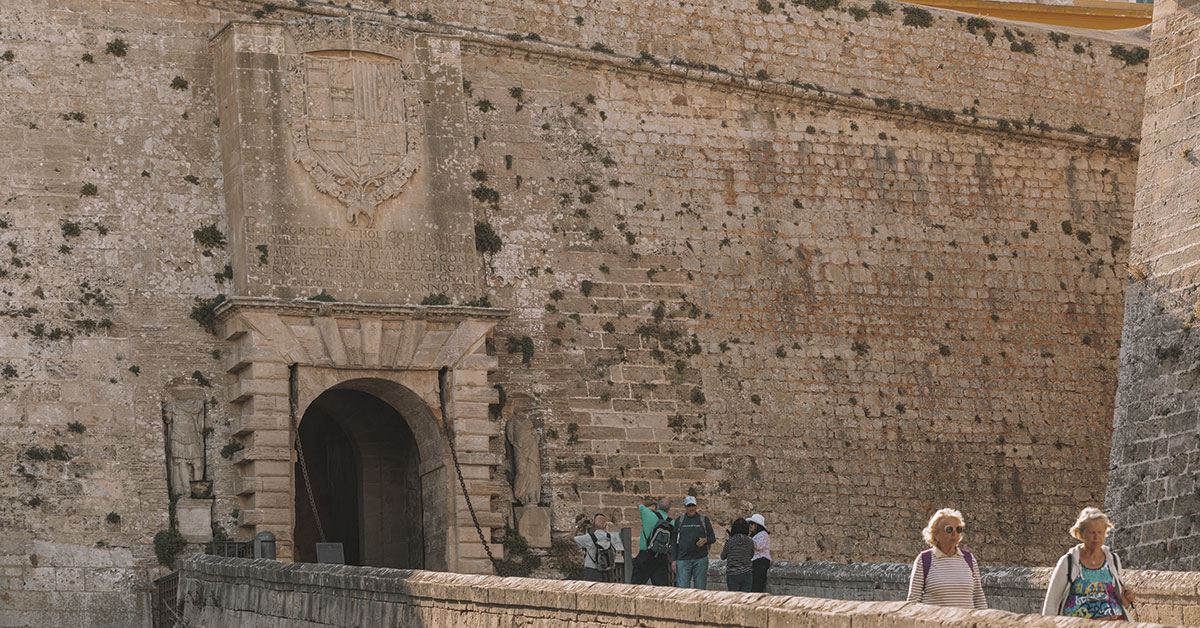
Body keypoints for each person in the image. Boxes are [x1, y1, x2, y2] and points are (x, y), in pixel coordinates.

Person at [1042, 507, 1135, 620]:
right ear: (1081, 534)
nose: (1096, 537)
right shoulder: (1068, 562)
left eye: (1100, 532)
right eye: (1092, 533)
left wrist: (1126, 599)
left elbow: (1117, 597)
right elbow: (1052, 601)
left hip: (1114, 622)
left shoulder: (1113, 560)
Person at [906, 508, 987, 609]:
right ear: (936, 535)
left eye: (958, 529)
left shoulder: (969, 558)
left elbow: (978, 596)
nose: (955, 534)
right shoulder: (924, 560)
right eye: (949, 529)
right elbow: (913, 601)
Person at [671, 495, 715, 589]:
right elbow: (674, 541)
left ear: (696, 506)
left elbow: (712, 538)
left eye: (693, 505)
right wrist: (674, 560)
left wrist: (705, 540)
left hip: (700, 559)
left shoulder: (703, 520)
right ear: (685, 507)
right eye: (689, 506)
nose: (691, 508)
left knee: (700, 590)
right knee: (683, 591)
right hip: (683, 560)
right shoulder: (679, 521)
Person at [631, 497, 673, 585]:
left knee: (636, 586)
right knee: (660, 589)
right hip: (661, 557)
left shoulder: (647, 514)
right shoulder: (672, 522)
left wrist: (652, 502)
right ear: (669, 509)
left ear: (658, 506)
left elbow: (639, 503)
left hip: (645, 555)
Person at [574, 513, 624, 582]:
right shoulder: (611, 537)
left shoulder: (588, 538)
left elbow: (572, 537)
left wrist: (578, 526)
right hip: (608, 572)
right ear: (605, 525)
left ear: (593, 524)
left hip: (592, 571)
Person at [721, 517, 754, 592]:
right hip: (747, 573)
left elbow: (723, 556)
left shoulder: (730, 542)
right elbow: (751, 555)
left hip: (733, 574)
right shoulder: (750, 542)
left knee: (734, 599)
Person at [747, 513, 771, 593]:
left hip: (761, 561)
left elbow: (758, 546)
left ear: (757, 525)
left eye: (752, 524)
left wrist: (748, 540)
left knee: (756, 586)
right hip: (754, 562)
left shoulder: (763, 534)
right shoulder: (753, 536)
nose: (750, 525)